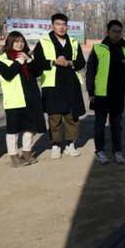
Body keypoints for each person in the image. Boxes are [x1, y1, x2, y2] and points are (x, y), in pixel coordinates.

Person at [33, 13, 86, 159]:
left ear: (67, 26)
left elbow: (81, 62)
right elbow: (37, 63)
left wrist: (70, 63)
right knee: (54, 116)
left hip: (71, 83)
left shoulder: (74, 41)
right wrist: (53, 62)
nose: (61, 27)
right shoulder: (44, 41)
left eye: (64, 24)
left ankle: (70, 143)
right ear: (52, 26)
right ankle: (55, 145)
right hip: (52, 84)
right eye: (58, 24)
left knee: (71, 116)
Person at [86, 20, 125, 165]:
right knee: (100, 125)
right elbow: (90, 71)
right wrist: (91, 91)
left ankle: (117, 151)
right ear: (108, 32)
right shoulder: (98, 48)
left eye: (119, 31)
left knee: (116, 125)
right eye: (114, 31)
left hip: (118, 95)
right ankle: (100, 151)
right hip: (101, 95)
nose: (117, 34)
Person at [0, 31, 46, 167]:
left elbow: (37, 73)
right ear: (10, 43)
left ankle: (27, 152)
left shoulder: (27, 57)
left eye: (22, 41)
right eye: (16, 41)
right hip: (14, 99)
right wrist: (19, 61)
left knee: (31, 127)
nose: (20, 44)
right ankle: (14, 156)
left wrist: (29, 60)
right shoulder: (1, 59)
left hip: (31, 97)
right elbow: (8, 74)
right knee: (13, 129)